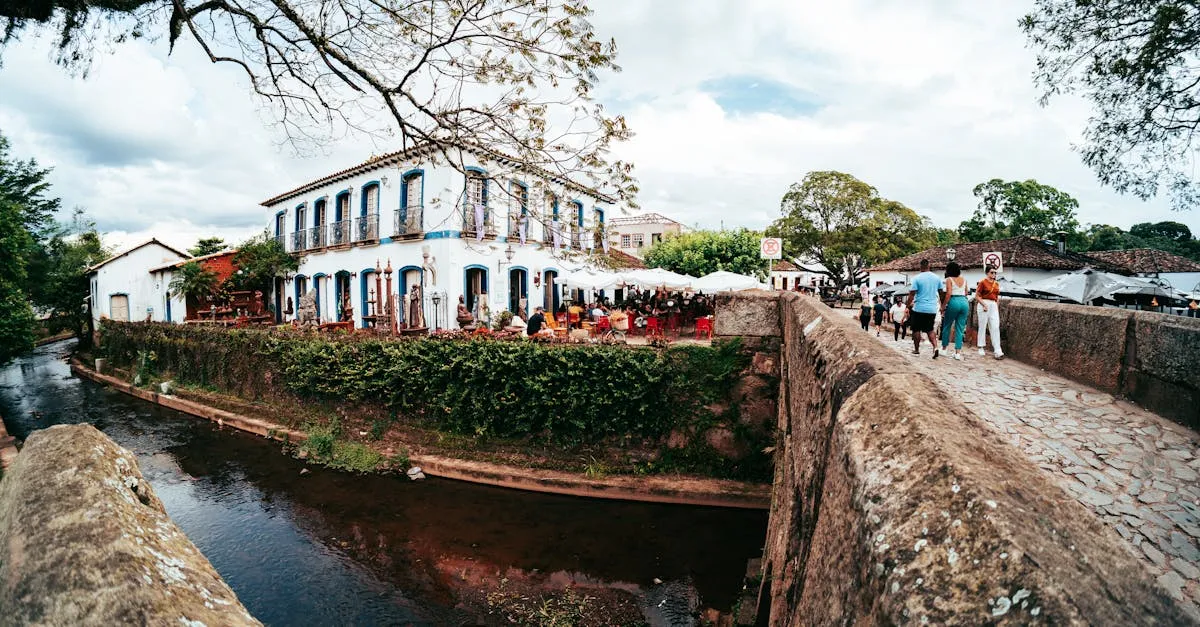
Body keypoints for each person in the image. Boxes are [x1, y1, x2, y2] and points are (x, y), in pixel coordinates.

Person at [906, 259, 942, 357]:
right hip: (932, 308)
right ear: (929, 266)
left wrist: (907, 306)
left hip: (919, 308)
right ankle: (935, 347)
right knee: (930, 329)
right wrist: (942, 306)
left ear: (920, 267)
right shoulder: (937, 278)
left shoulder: (917, 278)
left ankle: (917, 349)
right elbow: (941, 292)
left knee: (916, 329)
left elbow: (912, 294)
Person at [939, 261, 970, 360]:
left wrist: (943, 306)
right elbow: (966, 292)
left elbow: (948, 294)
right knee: (960, 328)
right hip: (964, 302)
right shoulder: (964, 279)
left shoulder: (949, 279)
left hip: (954, 301)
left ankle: (944, 348)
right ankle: (957, 352)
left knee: (947, 325)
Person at [974, 265, 1004, 359]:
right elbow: (977, 296)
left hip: (993, 305)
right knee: (982, 326)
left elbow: (997, 297)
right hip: (984, 304)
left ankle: (998, 350)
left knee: (995, 326)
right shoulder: (982, 282)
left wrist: (996, 307)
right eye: (992, 272)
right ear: (987, 273)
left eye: (995, 272)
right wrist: (984, 304)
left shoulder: (997, 284)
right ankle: (981, 346)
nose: (994, 274)